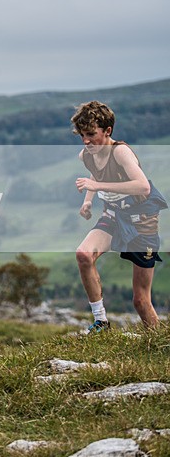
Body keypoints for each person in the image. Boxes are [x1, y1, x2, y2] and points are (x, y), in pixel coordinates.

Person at [72, 100, 167, 331]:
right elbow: (94, 180)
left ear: (108, 131)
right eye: (82, 135)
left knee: (140, 300)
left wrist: (96, 185)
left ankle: (159, 343)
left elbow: (142, 187)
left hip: (141, 221)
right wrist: (87, 202)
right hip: (113, 216)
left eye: (91, 134)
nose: (86, 141)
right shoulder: (87, 155)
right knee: (84, 255)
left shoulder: (121, 152)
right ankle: (101, 321)